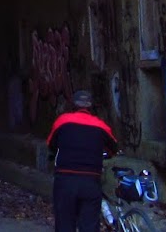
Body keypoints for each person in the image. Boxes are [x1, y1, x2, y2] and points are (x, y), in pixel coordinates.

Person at [46, 89, 117, 232]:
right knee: (89, 224)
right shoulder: (100, 125)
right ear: (91, 107)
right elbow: (113, 147)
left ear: (72, 105)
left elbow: (51, 144)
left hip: (65, 180)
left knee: (64, 223)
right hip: (90, 181)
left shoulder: (62, 121)